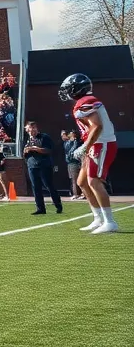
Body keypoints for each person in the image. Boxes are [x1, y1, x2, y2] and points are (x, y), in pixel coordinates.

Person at [59, 73, 119, 234]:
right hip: (96, 144)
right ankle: (98, 218)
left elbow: (96, 126)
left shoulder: (85, 103)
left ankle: (110, 221)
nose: (66, 92)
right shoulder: (84, 102)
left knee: (94, 182)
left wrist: (86, 146)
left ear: (76, 89)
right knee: (82, 182)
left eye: (68, 89)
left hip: (101, 143)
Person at [23, 121, 62, 216]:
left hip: (44, 165)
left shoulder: (44, 137)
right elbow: (25, 153)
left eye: (34, 128)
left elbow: (48, 150)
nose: (32, 131)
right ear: (27, 130)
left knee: (48, 185)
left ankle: (58, 205)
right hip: (32, 165)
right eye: (30, 129)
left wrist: (34, 148)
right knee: (36, 187)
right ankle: (40, 208)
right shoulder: (27, 139)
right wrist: (26, 152)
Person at [62, 129, 84, 200]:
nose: (72, 135)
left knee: (82, 179)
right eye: (71, 134)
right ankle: (76, 194)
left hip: (80, 161)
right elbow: (63, 137)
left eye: (73, 134)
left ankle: (83, 194)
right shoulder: (67, 142)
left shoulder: (78, 141)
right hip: (71, 162)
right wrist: (64, 135)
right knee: (74, 180)